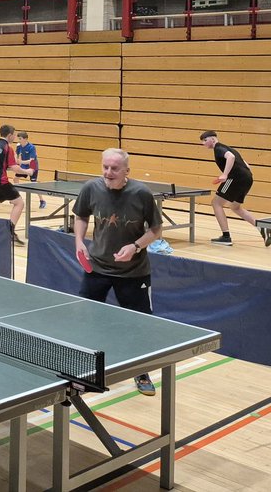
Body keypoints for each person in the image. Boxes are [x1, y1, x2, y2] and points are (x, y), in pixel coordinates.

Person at [73, 148, 161, 396]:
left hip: (133, 271)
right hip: (97, 267)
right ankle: (86, 370)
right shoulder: (91, 188)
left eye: (114, 168)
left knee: (138, 325)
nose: (108, 172)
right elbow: (81, 216)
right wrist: (79, 241)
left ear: (126, 171)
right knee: (87, 319)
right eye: (105, 167)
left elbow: (156, 230)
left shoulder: (141, 193)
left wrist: (135, 247)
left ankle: (141, 371)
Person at [200, 130, 271, 247]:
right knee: (235, 207)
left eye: (205, 140)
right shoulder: (230, 148)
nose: (203, 143)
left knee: (216, 203)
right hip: (247, 178)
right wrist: (242, 175)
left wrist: (225, 174)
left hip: (235, 179)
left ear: (212, 139)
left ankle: (226, 237)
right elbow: (246, 165)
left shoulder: (218, 148)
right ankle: (261, 227)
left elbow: (231, 157)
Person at [0, 125, 31, 245]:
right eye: (14, 135)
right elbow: (14, 168)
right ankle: (10, 232)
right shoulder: (7, 148)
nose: (14, 137)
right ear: (9, 135)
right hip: (1, 181)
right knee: (19, 203)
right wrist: (27, 172)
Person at [15, 130, 46, 210]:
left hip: (32, 165)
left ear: (25, 139)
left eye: (20, 139)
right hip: (24, 165)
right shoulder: (19, 146)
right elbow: (16, 154)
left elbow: (31, 160)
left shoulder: (31, 147)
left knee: (34, 184)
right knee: (16, 179)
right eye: (18, 139)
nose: (19, 140)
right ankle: (18, 198)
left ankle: (42, 201)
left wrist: (21, 162)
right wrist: (16, 160)